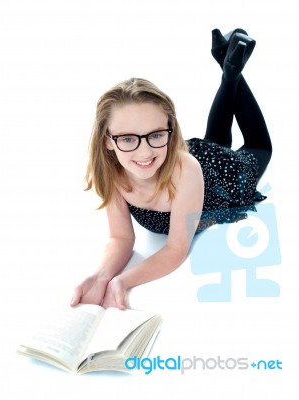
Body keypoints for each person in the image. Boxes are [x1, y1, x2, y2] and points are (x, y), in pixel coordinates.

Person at [70, 28, 272, 310]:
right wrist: (102, 277)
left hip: (219, 176)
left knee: (260, 146)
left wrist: (125, 281)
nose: (144, 152)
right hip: (190, 160)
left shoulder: (183, 171)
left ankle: (231, 74)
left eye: (155, 134)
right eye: (128, 139)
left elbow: (177, 248)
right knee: (217, 138)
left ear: (170, 131)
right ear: (108, 141)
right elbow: (120, 237)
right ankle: (227, 65)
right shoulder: (113, 172)